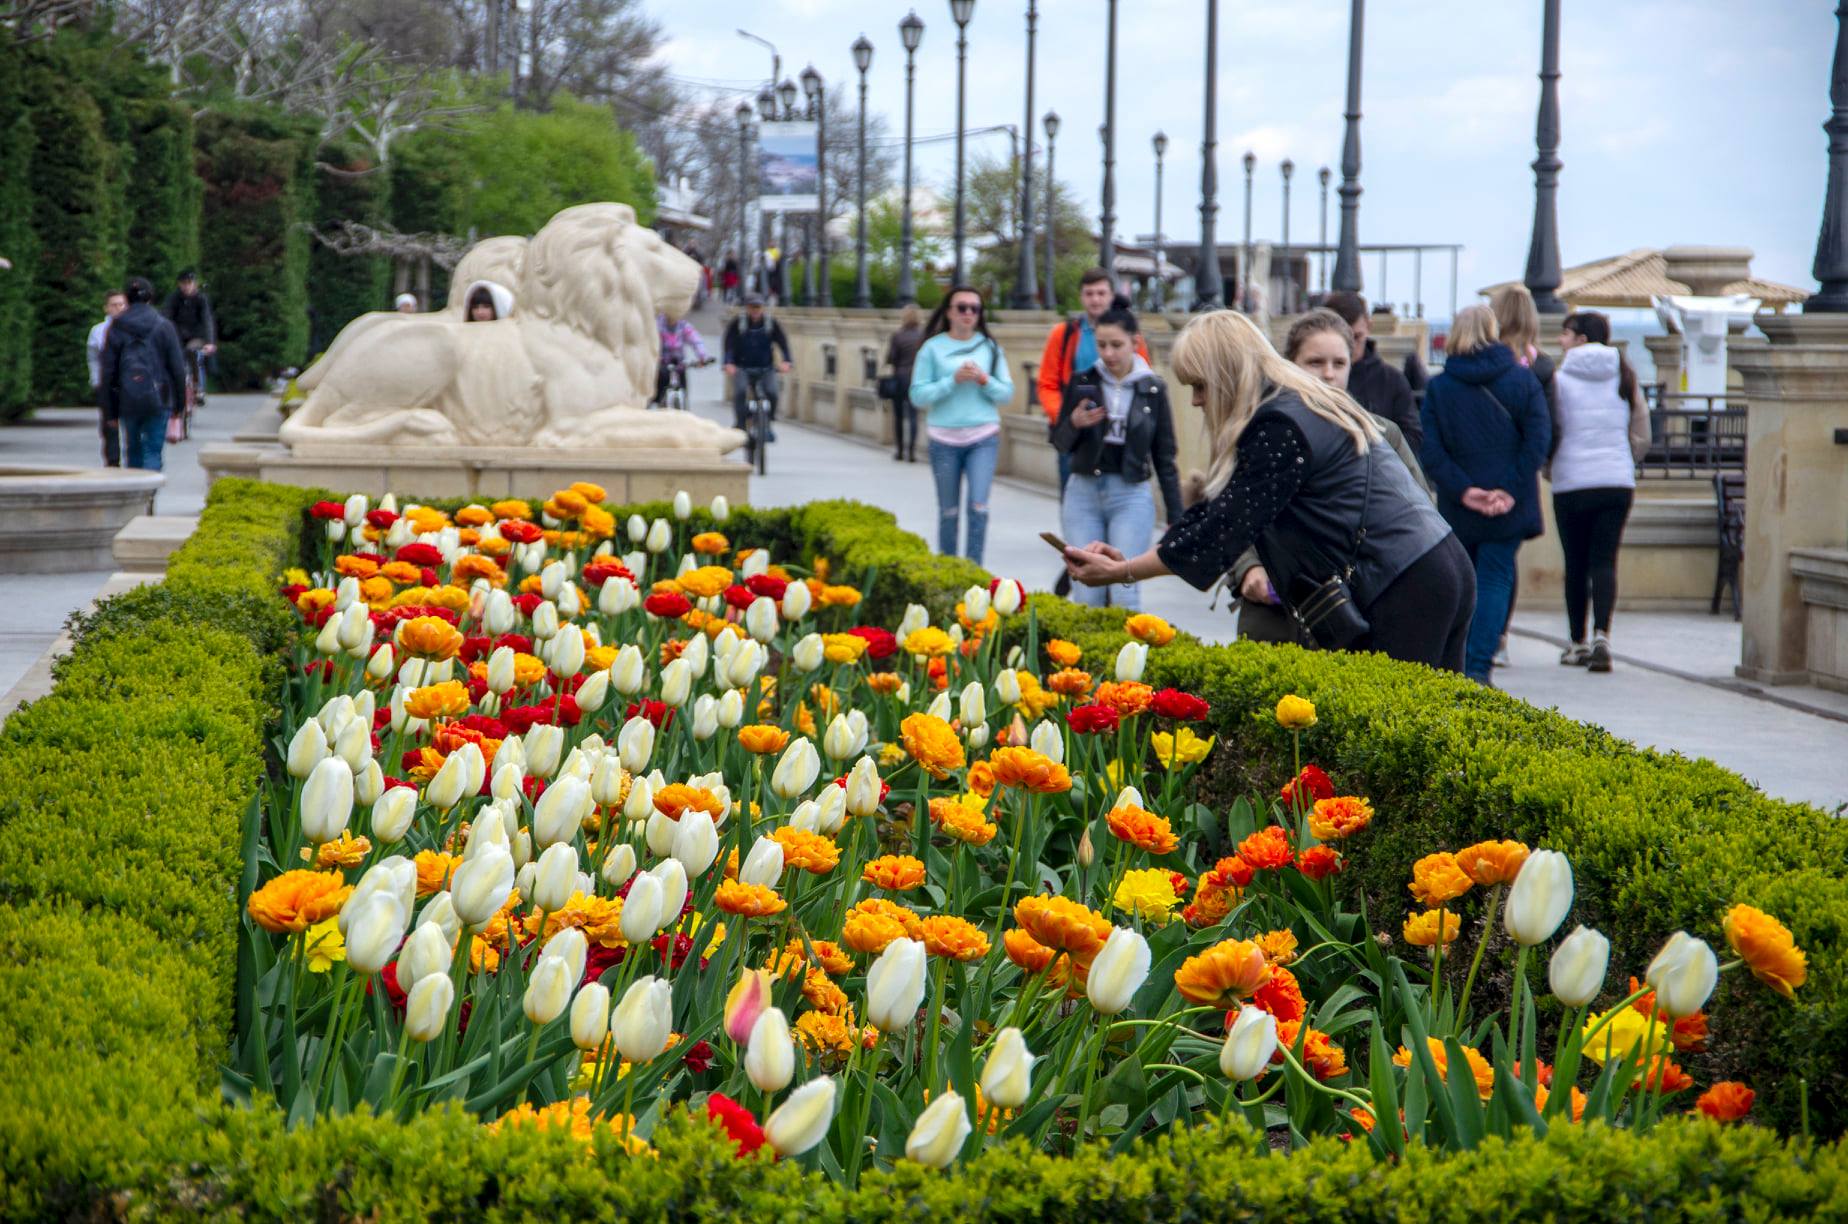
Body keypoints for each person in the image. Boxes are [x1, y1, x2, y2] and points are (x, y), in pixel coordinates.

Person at [1063, 310, 1472, 670]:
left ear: (1226, 376)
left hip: (1406, 582)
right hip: (1438, 563)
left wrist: (1124, 571)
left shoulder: (1279, 424)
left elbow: (1222, 531)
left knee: (1391, 736)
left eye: (1200, 386)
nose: (1196, 402)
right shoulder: (1300, 402)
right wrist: (1132, 562)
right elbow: (1218, 511)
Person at [1231, 308, 1434, 645]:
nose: (1328, 374)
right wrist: (1248, 568)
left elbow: (1420, 520)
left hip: (1353, 613)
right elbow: (1233, 516)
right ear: (1289, 364)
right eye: (1315, 362)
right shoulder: (1262, 433)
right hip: (1274, 614)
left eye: (1339, 364)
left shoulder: (1382, 434)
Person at [1419, 304, 1551, 686]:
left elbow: (1431, 450)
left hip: (1461, 504)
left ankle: (1456, 662)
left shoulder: (1440, 387)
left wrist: (1465, 491)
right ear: (1494, 331)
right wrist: (1509, 489)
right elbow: (1539, 439)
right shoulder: (1522, 381)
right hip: (1509, 502)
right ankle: (1479, 667)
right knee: (1495, 578)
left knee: (1460, 582)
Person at [1051, 299, 1183, 610]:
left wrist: (1176, 519)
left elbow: (1165, 458)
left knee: (1124, 588)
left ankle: (1126, 656)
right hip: (1083, 491)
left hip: (1130, 494)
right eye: (1101, 345)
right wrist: (1074, 423)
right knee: (1087, 592)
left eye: (1116, 345)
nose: (1108, 353)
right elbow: (1058, 443)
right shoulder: (1083, 381)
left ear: (1135, 343)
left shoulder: (1152, 388)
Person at [1550, 310, 1653, 673]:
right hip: (1616, 482)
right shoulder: (1625, 374)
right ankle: (1602, 636)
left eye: (1565, 334)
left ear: (1580, 339)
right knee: (1604, 561)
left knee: (1575, 563)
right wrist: (1625, 458)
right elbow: (1642, 429)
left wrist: (1552, 468)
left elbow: (1552, 428)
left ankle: (1576, 643)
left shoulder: (1559, 379)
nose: (1561, 341)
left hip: (1571, 482)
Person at [910, 285, 1015, 565]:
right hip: (943, 439)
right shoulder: (932, 348)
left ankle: (974, 572)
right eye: (962, 307)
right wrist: (951, 380)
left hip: (983, 436)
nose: (968, 313)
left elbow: (1006, 393)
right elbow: (917, 395)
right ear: (949, 312)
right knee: (949, 511)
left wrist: (983, 379)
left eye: (975, 308)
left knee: (978, 507)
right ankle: (949, 569)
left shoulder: (990, 347)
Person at [1486, 284, 1557, 668]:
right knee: (1503, 563)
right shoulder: (1542, 366)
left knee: (1482, 561)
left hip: (1477, 477)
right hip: (1520, 480)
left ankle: (1482, 637)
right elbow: (1547, 431)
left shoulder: (1488, 364)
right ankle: (1498, 636)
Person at [1036, 268, 1150, 493]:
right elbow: (1047, 382)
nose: (1095, 299)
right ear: (1081, 297)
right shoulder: (1064, 333)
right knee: (1073, 499)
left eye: (1101, 293)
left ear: (1111, 296)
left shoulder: (1131, 336)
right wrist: (1065, 417)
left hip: (1118, 430)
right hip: (1076, 430)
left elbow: (1144, 379)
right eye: (1089, 293)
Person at [100, 277, 186, 472]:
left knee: (133, 450)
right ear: (151, 298)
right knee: (153, 451)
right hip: (159, 396)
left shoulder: (117, 326)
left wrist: (110, 411)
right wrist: (179, 406)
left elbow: (108, 371)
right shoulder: (164, 326)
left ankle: (136, 496)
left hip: (128, 397)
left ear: (127, 299)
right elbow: (177, 369)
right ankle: (149, 498)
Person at [1323, 291, 1419, 450]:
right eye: (1341, 338)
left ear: (1369, 326)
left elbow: (1411, 438)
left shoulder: (1392, 380)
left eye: (1356, 337)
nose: (1349, 347)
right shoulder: (1306, 377)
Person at [722, 294, 793, 437]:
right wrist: (728, 362)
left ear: (762, 308)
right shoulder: (738, 323)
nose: (755, 310)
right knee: (740, 392)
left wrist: (787, 361)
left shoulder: (770, 323)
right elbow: (728, 344)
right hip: (742, 367)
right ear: (747, 308)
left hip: (766, 367)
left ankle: (769, 418)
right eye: (752, 307)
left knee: (772, 392)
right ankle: (741, 422)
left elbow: (783, 343)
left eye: (758, 307)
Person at [162, 269, 217, 405]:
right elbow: (166, 317)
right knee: (172, 358)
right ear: (179, 285)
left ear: (195, 284)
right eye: (183, 283)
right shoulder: (174, 298)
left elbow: (207, 320)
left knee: (194, 354)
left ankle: (199, 389)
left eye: (189, 283)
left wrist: (209, 341)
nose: (186, 286)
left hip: (196, 337)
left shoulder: (201, 299)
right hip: (178, 336)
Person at [87, 289, 128, 466]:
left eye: (121, 304)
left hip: (128, 383)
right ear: (106, 308)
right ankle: (112, 460)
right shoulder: (98, 331)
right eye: (114, 305)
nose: (118, 308)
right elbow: (93, 358)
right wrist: (96, 381)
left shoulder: (133, 328)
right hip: (107, 382)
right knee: (109, 423)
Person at [883, 304, 926, 462]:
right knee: (914, 415)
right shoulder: (923, 336)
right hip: (917, 379)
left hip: (900, 378)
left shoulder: (897, 335)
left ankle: (900, 450)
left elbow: (891, 359)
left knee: (899, 416)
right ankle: (912, 451)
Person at [653, 311, 710, 408]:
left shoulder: (683, 326)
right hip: (662, 364)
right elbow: (651, 341)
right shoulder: (658, 325)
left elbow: (696, 341)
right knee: (657, 393)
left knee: (683, 390)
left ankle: (682, 408)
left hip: (679, 364)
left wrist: (703, 357)